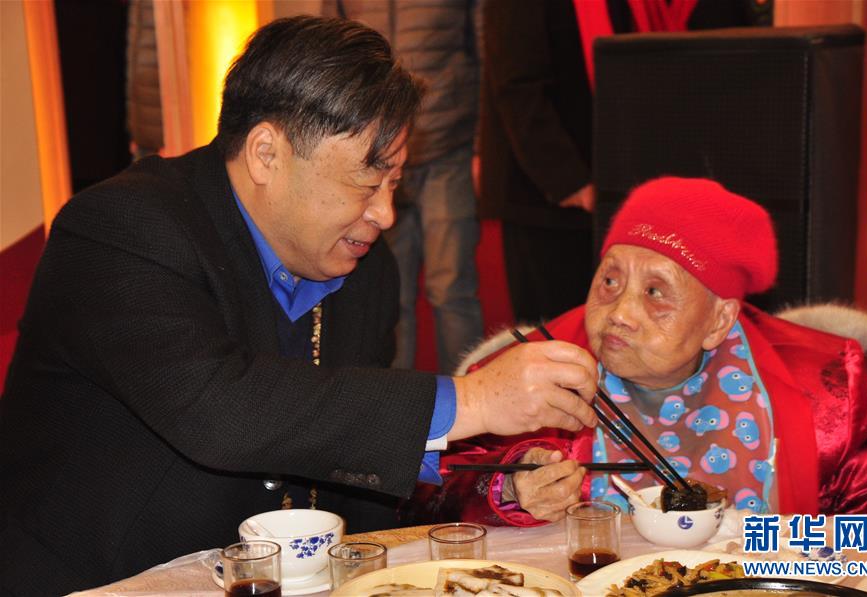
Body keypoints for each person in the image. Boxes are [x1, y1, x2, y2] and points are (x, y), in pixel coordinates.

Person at [0, 16, 600, 595]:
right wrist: (473, 400)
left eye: (395, 183)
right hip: (105, 580)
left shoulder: (365, 267)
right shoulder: (122, 228)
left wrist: (496, 489)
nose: (385, 215)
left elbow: (351, 468)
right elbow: (221, 410)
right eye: (366, 183)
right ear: (266, 153)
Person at [407, 177, 867, 526]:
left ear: (719, 320)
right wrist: (508, 491)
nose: (619, 313)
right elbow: (422, 490)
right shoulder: (528, 371)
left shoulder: (825, 387)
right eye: (610, 281)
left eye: (655, 292)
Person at [323, 0, 484, 375]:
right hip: (375, 155)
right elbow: (332, 56)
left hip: (448, 147)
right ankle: (396, 398)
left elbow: (484, 52)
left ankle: (471, 392)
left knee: (452, 288)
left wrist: (482, 146)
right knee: (390, 292)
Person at [478, 0, 596, 323]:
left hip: (600, 183)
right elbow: (516, 83)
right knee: (556, 332)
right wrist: (568, 179)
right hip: (545, 195)